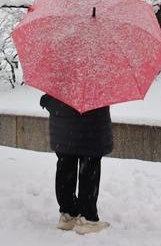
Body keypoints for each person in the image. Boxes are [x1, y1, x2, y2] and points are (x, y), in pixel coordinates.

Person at [39, 93, 113, 234]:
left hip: (63, 129)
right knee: (89, 169)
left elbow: (51, 99)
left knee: (65, 166)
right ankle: (87, 218)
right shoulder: (97, 75)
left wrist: (49, 102)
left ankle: (68, 214)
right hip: (91, 128)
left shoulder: (60, 72)